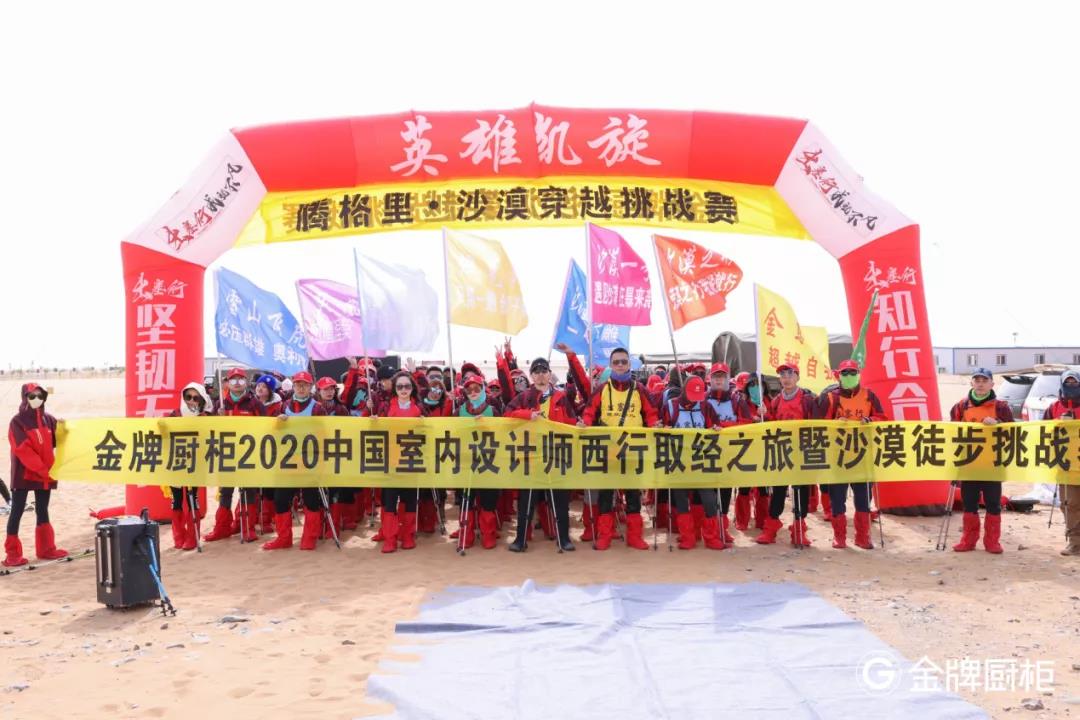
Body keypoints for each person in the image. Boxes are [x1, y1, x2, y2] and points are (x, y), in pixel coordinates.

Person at [580, 347, 660, 551]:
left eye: (624, 361)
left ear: (629, 364)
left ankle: (634, 537)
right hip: (609, 450)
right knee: (606, 494)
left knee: (633, 494)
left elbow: (651, 413)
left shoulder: (640, 389)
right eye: (616, 362)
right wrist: (585, 424)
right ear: (610, 365)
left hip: (633, 450)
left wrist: (655, 425)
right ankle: (604, 536)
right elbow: (589, 411)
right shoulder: (602, 389)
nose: (620, 365)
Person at [505, 356, 577, 552]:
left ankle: (564, 538)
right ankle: (520, 540)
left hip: (556, 455)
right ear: (531, 376)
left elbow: (570, 421)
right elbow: (507, 414)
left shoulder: (561, 397)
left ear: (549, 373)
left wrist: (578, 425)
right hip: (531, 457)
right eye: (536, 372)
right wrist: (527, 415)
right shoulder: (524, 397)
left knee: (560, 501)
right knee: (526, 501)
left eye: (544, 371)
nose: (540, 375)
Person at [819, 360, 887, 549]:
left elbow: (883, 418)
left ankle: (862, 537)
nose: (849, 376)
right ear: (838, 375)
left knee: (863, 499)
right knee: (837, 499)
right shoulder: (830, 397)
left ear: (859, 374)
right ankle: (839, 537)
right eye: (845, 373)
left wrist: (870, 420)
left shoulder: (869, 396)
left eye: (852, 373)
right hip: (838, 457)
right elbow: (819, 423)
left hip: (862, 456)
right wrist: (835, 422)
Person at [948, 367, 1013, 554]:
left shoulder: (1001, 407)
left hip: (992, 464)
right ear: (972, 383)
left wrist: (998, 424)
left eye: (984, 381)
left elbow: (1013, 431)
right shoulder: (961, 406)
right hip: (969, 463)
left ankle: (992, 542)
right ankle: (968, 541)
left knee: (993, 503)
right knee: (969, 503)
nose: (981, 384)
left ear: (992, 384)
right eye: (977, 380)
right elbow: (951, 431)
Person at [755, 363, 819, 547]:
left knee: (801, 492)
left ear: (797, 377)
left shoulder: (807, 399)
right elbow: (772, 424)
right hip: (782, 453)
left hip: (802, 452)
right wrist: (764, 416)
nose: (786, 378)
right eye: (782, 375)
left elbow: (816, 424)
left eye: (790, 374)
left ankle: (799, 530)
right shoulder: (776, 401)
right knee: (778, 492)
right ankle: (770, 530)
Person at [263, 371, 327, 551]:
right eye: (298, 384)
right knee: (281, 499)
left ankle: (310, 537)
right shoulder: (284, 406)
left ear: (310, 387)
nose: (301, 388)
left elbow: (324, 433)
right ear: (293, 386)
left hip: (309, 462)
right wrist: (278, 422)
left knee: (310, 500)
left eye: (305, 384)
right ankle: (284, 538)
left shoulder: (317, 408)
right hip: (287, 462)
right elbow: (274, 432)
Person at [3, 383, 66, 567]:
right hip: (23, 473)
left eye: (40, 396)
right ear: (25, 398)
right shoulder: (17, 422)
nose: (36, 399)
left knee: (42, 509)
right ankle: (12, 554)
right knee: (17, 510)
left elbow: (57, 440)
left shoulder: (48, 419)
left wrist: (64, 428)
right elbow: (23, 449)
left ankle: (46, 549)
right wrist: (42, 469)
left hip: (44, 473)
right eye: (32, 396)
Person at [660, 376, 726, 550]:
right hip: (678, 460)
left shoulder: (705, 406)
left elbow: (715, 426)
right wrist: (662, 429)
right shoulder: (671, 406)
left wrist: (716, 429)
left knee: (709, 499)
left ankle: (711, 537)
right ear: (683, 391)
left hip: (701, 460)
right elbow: (660, 428)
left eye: (697, 396)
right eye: (691, 395)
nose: (694, 400)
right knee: (681, 499)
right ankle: (687, 536)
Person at [204, 368, 265, 543]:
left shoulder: (255, 403)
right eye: (233, 380)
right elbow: (210, 428)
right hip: (227, 455)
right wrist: (218, 417)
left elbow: (266, 427)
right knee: (226, 492)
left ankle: (248, 528)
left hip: (249, 456)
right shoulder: (221, 404)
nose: (237, 383)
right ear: (227, 383)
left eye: (240, 379)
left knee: (249, 492)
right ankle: (222, 528)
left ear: (246, 382)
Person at [374, 371, 424, 553]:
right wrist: (373, 422)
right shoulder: (386, 406)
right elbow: (374, 429)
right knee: (390, 501)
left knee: (409, 500)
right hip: (391, 461)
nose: (404, 389)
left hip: (412, 460)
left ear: (412, 388)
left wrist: (425, 424)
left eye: (407, 386)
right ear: (394, 388)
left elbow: (429, 431)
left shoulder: (419, 408)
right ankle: (390, 538)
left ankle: (407, 535)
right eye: (400, 386)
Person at [454, 373, 503, 550]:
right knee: (466, 500)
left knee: (488, 499)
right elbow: (451, 433)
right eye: (469, 390)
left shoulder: (492, 410)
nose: (473, 392)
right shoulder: (459, 411)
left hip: (488, 461)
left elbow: (502, 433)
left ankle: (488, 533)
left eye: (476, 388)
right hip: (466, 462)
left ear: (482, 389)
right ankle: (466, 534)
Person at [165, 382, 213, 551]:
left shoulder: (205, 417)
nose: (191, 401)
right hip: (176, 463)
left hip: (196, 464)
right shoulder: (174, 414)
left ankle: (193, 537)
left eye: (195, 398)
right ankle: (179, 536)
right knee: (176, 500)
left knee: (192, 498)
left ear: (202, 400)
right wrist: (162, 427)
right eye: (188, 397)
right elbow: (164, 435)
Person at [1042, 370, 1080, 556]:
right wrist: (1057, 425)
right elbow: (1042, 432)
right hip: (1066, 464)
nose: (1071, 386)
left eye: (1075, 382)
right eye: (1068, 382)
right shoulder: (1053, 408)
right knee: (1069, 504)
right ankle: (1075, 543)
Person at [732, 372, 772, 531]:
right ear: (747, 387)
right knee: (744, 487)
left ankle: (762, 520)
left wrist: (766, 416)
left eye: (759, 384)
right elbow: (738, 422)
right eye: (752, 384)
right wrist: (753, 419)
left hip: (764, 449)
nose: (756, 388)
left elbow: (776, 422)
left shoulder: (769, 402)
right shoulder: (741, 402)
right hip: (746, 450)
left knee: (763, 487)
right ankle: (742, 520)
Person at [254, 374, 284, 530]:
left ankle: (266, 519)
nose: (260, 388)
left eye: (264, 387)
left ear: (271, 390)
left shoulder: (278, 406)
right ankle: (251, 518)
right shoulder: (252, 403)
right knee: (254, 485)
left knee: (268, 486)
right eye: (259, 385)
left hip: (272, 450)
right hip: (254, 448)